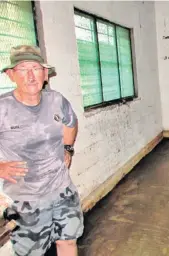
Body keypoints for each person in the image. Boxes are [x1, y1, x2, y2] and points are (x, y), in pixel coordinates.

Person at [0, 45, 84, 255]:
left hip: (62, 190)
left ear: (45, 73)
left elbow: (71, 122)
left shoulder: (56, 100)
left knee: (68, 242)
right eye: (22, 69)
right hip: (25, 199)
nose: (30, 76)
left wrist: (67, 149)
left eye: (36, 68)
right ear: (11, 75)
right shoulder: (3, 108)